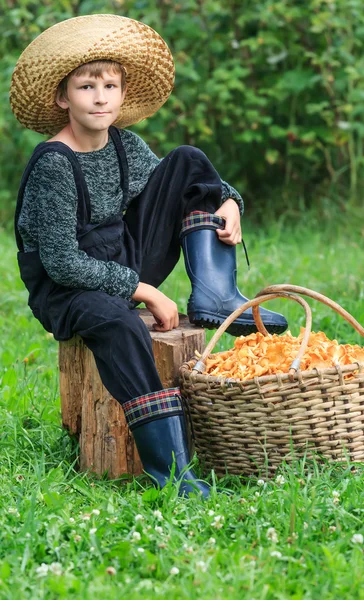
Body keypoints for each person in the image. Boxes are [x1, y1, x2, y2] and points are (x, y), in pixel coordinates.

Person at [10, 14, 288, 497]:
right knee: (118, 325)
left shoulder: (125, 144)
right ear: (63, 98)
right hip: (68, 291)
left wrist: (229, 201)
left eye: (110, 85)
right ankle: (174, 474)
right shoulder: (54, 165)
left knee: (187, 159)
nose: (100, 97)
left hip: (122, 256)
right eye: (86, 86)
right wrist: (145, 292)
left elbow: (189, 184)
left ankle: (215, 295)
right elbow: (61, 263)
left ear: (122, 95)